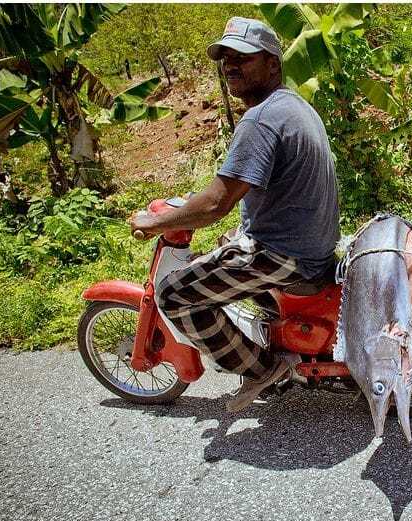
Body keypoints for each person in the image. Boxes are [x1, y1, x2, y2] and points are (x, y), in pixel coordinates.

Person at [130, 17, 339, 412]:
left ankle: (263, 369)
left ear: (273, 65)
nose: (230, 65)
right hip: (309, 245)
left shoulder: (260, 120)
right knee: (226, 245)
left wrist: (155, 221)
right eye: (225, 57)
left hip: (286, 256)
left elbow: (215, 204)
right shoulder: (293, 106)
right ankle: (268, 338)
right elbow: (235, 188)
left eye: (242, 56)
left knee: (175, 295)